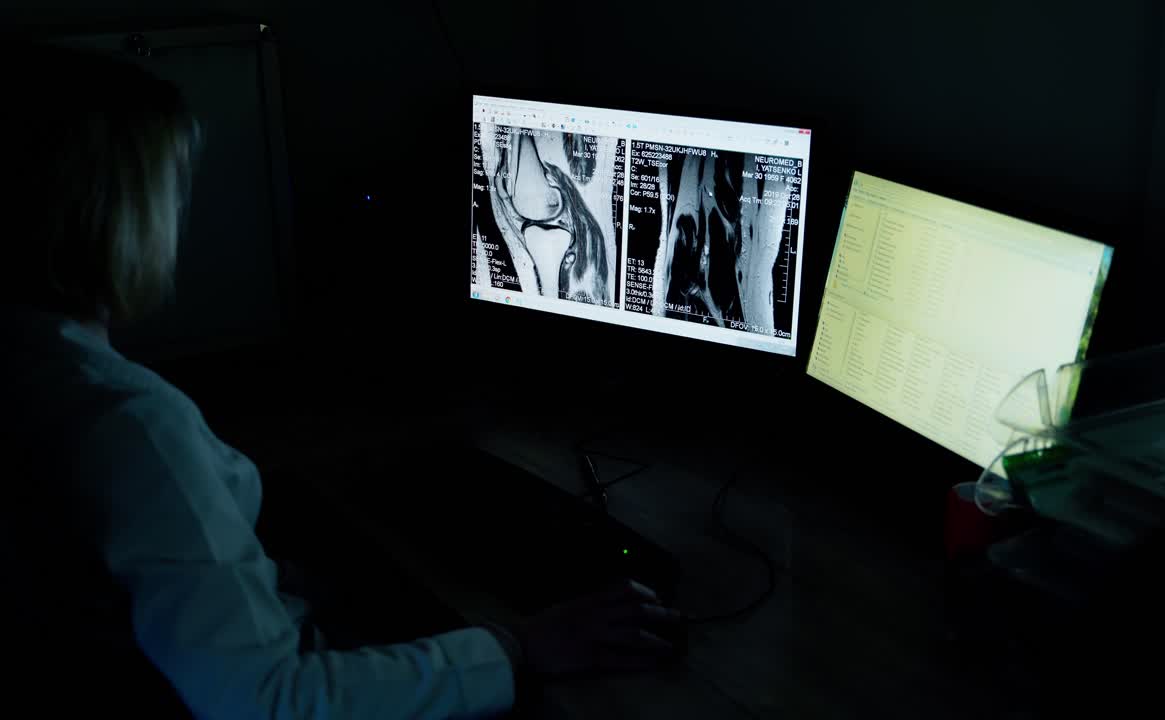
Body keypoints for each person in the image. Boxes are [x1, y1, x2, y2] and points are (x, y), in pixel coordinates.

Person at [0, 42, 680, 718]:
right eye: (170, 190)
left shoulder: (42, 371)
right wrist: (518, 648)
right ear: (117, 216)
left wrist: (267, 581)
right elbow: (266, 702)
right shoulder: (128, 425)